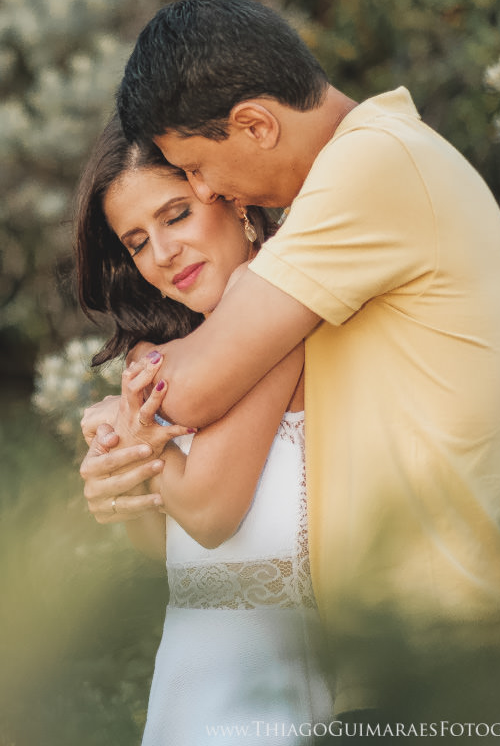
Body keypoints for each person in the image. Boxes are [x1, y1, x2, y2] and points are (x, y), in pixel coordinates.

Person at [81, 0, 500, 718]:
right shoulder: (372, 167)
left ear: (256, 124)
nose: (205, 189)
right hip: (393, 657)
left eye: (196, 170)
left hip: (446, 642)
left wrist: (121, 411)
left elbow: (192, 392)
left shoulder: (373, 166)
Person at [75, 117, 330, 745]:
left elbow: (212, 514)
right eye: (136, 241)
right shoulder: (177, 354)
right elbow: (168, 549)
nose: (161, 255)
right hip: (192, 672)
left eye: (176, 215)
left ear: (232, 199)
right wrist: (121, 471)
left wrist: (132, 429)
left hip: (267, 683)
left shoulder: (277, 323)